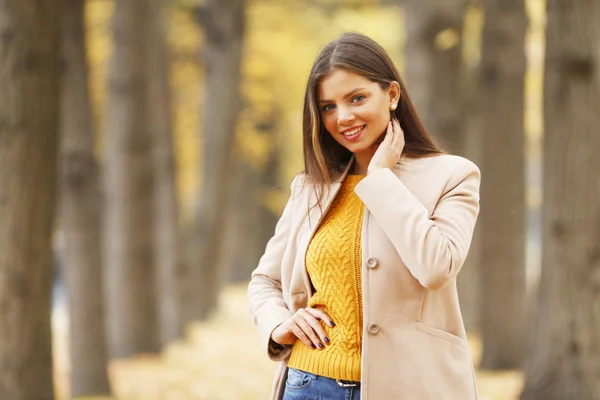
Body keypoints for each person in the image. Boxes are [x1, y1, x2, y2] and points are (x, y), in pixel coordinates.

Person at [247, 32, 481, 400]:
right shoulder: (312, 187)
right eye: (327, 107)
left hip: (411, 387)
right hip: (310, 385)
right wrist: (280, 324)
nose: (343, 117)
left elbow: (437, 266)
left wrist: (382, 179)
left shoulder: (451, 176)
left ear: (391, 95)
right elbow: (265, 282)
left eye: (357, 98)